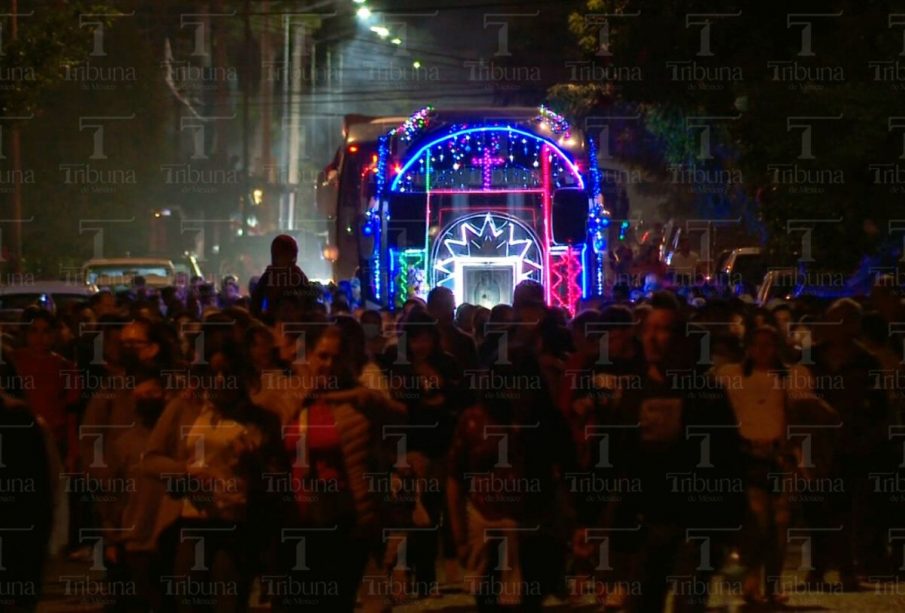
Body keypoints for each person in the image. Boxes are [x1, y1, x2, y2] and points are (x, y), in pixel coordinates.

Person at [608, 291, 743, 612]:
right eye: (649, 329)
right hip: (646, 518)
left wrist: (728, 518)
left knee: (689, 602)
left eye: (664, 329)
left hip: (695, 519)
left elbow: (726, 455)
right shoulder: (633, 392)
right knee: (642, 601)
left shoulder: (705, 392)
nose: (654, 338)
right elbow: (618, 456)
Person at [715, 326, 811, 606]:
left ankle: (772, 585)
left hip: (779, 456)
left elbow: (800, 416)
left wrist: (798, 456)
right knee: (757, 523)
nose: (763, 351)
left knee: (780, 525)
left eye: (769, 345)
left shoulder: (791, 377)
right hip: (748, 456)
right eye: (757, 344)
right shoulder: (731, 376)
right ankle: (751, 582)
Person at [251, 234, 316, 321]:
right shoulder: (270, 275)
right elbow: (255, 303)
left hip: (294, 325)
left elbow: (309, 305)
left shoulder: (297, 276)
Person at [426, 287, 477, 371]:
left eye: (452, 304)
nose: (454, 308)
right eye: (447, 305)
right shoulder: (421, 341)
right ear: (432, 309)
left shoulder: (466, 341)